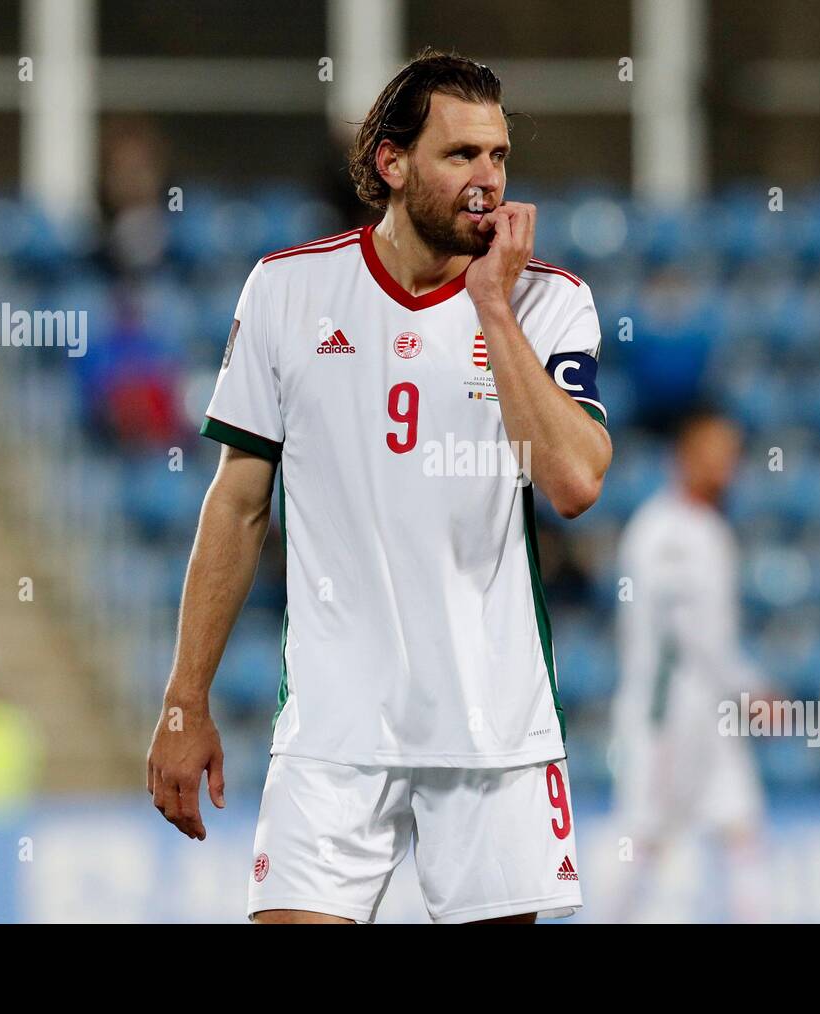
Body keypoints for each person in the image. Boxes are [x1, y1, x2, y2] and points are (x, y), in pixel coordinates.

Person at [146, 48, 612, 924]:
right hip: (333, 732)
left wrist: (496, 309)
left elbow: (576, 480)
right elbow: (238, 504)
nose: (488, 179)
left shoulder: (550, 303)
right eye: (461, 154)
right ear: (393, 164)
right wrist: (184, 699)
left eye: (500, 156)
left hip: (493, 734)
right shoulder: (289, 291)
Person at [609, 406, 771, 922]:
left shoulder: (709, 528)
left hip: (712, 708)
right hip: (667, 712)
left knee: (741, 824)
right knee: (646, 834)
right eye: (714, 452)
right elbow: (689, 632)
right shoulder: (665, 530)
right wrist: (751, 688)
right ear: (684, 455)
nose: (726, 465)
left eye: (732, 454)